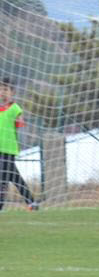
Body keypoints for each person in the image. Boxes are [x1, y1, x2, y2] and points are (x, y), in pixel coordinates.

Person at [0, 80, 40, 211]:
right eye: (0, 90)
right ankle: (32, 203)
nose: (2, 93)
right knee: (14, 177)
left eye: (6, 90)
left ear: (12, 93)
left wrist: (19, 119)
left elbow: (20, 122)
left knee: (3, 178)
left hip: (8, 149)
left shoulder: (15, 108)